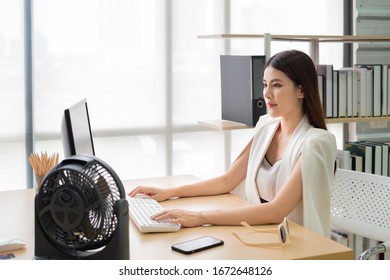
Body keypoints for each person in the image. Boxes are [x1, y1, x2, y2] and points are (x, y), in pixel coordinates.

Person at [128, 49, 337, 237]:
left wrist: (201, 217)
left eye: (277, 85)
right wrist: (170, 192)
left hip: (296, 242)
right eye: (265, 84)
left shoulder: (315, 143)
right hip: (259, 232)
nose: (267, 94)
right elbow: (228, 180)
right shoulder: (266, 126)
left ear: (301, 91)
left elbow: (276, 210)